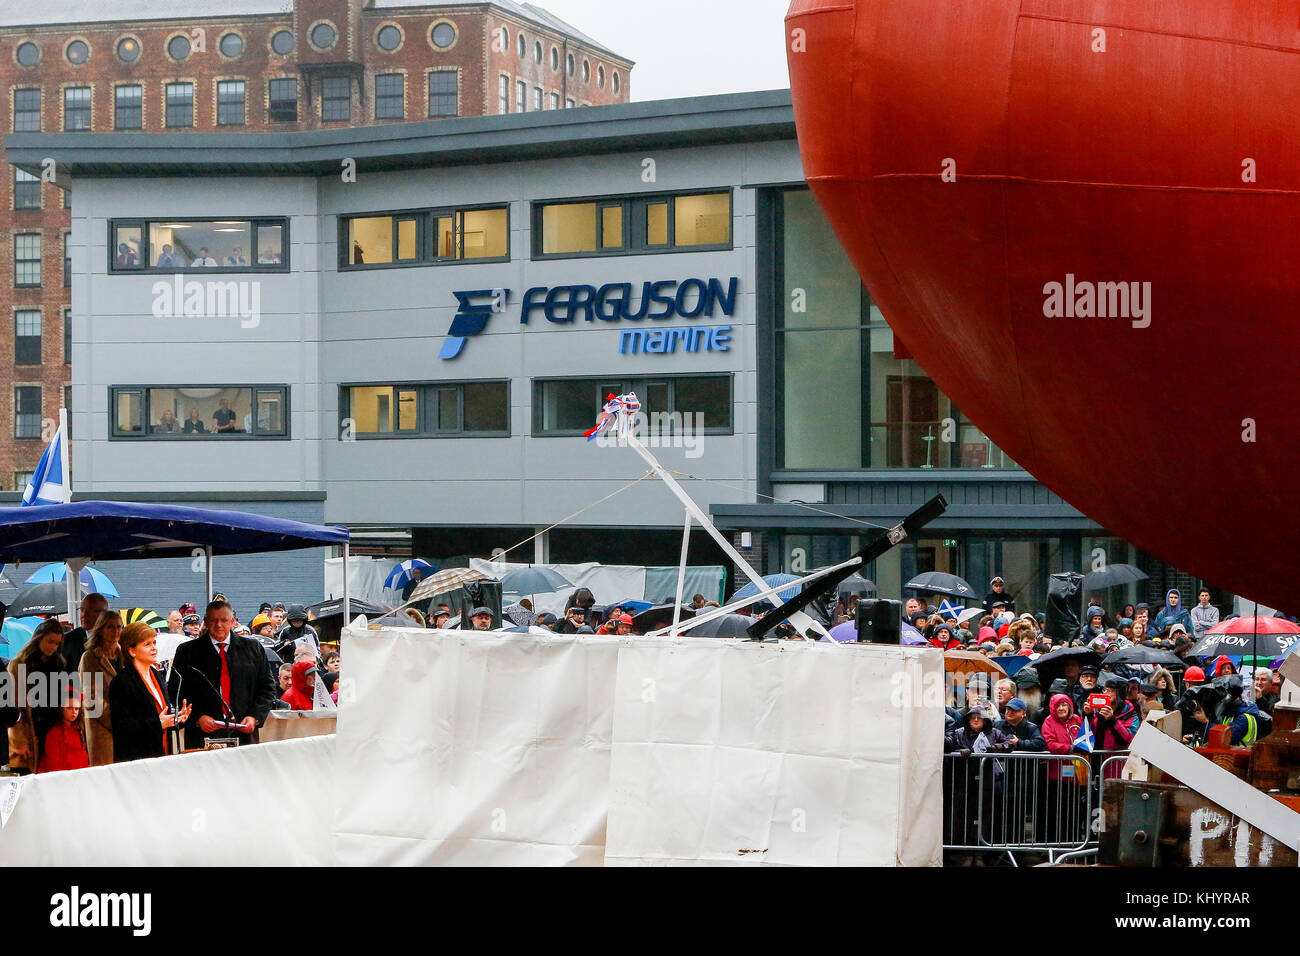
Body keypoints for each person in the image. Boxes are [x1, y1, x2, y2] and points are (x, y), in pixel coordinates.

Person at [168, 600, 276, 750]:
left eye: (224, 620)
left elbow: (267, 688)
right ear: (205, 622)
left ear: (233, 622)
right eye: (213, 620)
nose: (219, 625)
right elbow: (175, 691)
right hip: (201, 736)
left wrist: (255, 717)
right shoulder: (187, 651)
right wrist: (197, 718)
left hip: (243, 735)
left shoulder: (253, 649)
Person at [110, 623, 191, 762]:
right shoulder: (121, 682)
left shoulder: (156, 675)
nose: (154, 648)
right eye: (147, 644)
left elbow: (161, 713)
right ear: (132, 651)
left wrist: (176, 718)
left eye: (154, 642)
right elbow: (122, 728)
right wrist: (157, 724)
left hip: (161, 754)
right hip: (136, 759)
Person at [6, 620, 70, 773]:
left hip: (52, 730)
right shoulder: (20, 664)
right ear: (38, 639)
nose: (53, 647)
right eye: (49, 642)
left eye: (57, 643)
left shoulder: (59, 664)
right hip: (30, 730)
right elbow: (15, 706)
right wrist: (19, 741)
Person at [79, 609, 124, 766]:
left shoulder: (123, 655)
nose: (115, 631)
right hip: (101, 729)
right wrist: (116, 722)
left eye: (119, 627)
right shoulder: (91, 658)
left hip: (125, 728)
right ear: (100, 629)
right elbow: (92, 698)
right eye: (110, 627)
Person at [62, 592, 109, 687]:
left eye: (92, 610)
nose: (84, 615)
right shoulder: (67, 641)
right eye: (82, 610)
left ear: (105, 614)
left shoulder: (116, 641)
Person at [1086, 679, 1141, 760]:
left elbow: (1127, 740)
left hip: (1114, 763)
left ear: (1120, 694)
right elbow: (1087, 734)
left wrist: (1112, 720)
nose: (1105, 693)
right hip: (1094, 760)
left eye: (1110, 691)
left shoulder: (1130, 715)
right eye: (1104, 690)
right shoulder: (1097, 710)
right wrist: (1088, 715)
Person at [38, 691, 90, 773]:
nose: (74, 712)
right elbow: (53, 763)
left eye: (76, 709)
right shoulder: (54, 733)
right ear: (61, 709)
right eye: (69, 708)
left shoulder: (78, 731)